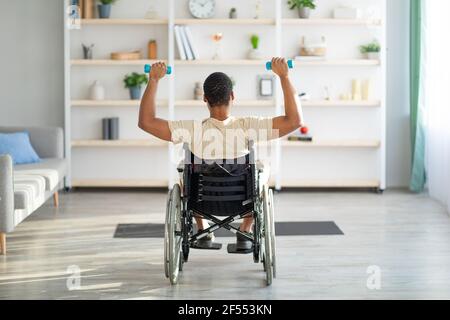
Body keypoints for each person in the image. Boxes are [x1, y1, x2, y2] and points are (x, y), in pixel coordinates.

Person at [138, 57, 304, 250]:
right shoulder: (248, 126)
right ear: (232, 96)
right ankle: (245, 229)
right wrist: (284, 76)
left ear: (205, 99)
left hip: (202, 202)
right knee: (261, 169)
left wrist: (154, 80)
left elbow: (146, 122)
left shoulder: (191, 129)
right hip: (241, 202)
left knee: (187, 170)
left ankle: (203, 229)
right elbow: (295, 121)